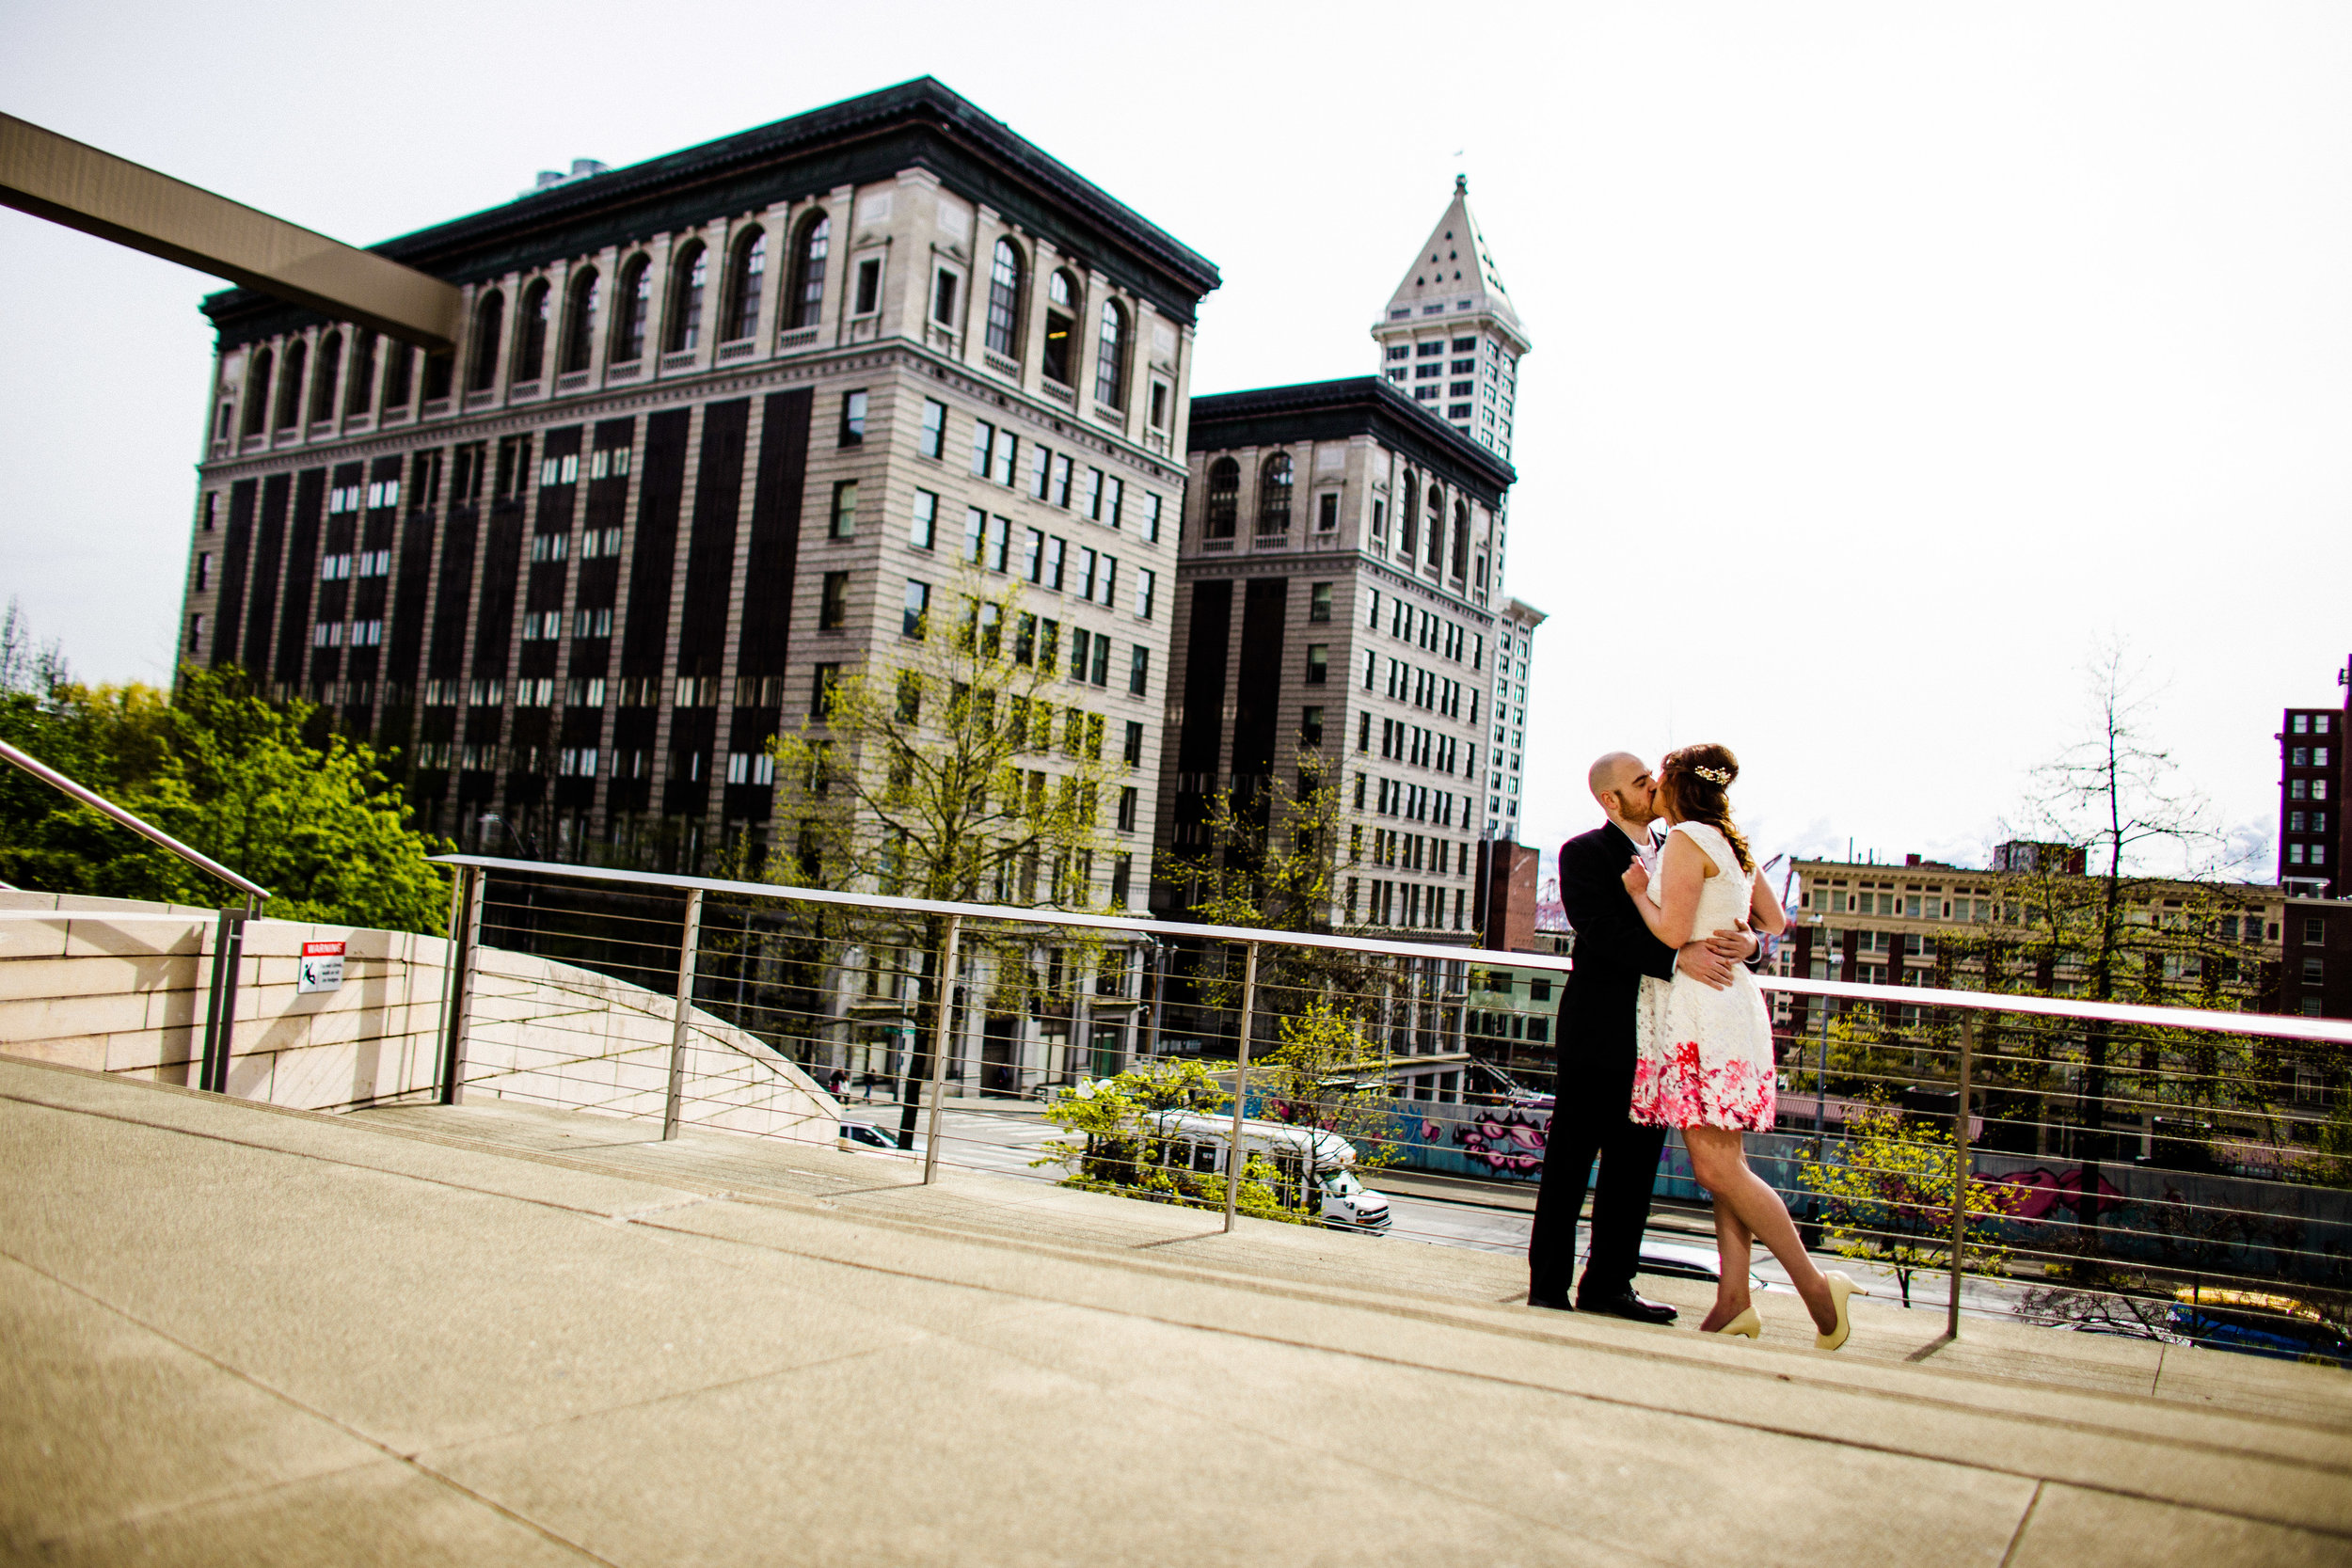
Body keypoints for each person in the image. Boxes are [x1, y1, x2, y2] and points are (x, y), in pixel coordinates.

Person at [1620, 743, 1862, 1349]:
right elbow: (1775, 921)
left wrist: (1636, 891)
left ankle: (1814, 1288)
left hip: (1702, 1010)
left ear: (1674, 785)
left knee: (1715, 1166)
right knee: (1728, 1165)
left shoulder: (1685, 841)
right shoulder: (1731, 839)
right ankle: (1733, 1300)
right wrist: (1748, 943)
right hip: (1734, 1007)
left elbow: (1673, 932)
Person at [1525, 752, 1756, 1322]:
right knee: (1569, 1166)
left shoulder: (1685, 842)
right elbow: (1600, 935)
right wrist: (1681, 959)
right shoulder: (1583, 853)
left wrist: (1748, 944)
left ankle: (1609, 1287)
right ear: (1611, 800)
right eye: (1638, 781)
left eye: (1650, 776)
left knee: (1634, 1169)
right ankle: (1548, 1290)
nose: (1653, 784)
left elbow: (1737, 907)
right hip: (1599, 1032)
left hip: (1661, 1039)